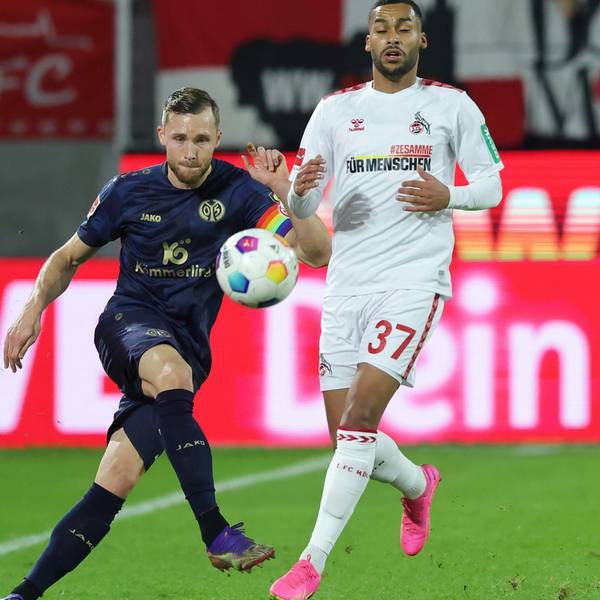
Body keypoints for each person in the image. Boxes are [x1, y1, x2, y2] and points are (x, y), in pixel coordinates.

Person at [1, 87, 331, 600]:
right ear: (162, 137)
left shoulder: (241, 191)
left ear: (218, 138)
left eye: (202, 139)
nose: (191, 150)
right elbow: (67, 259)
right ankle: (215, 530)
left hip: (187, 350)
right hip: (127, 325)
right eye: (180, 138)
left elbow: (314, 252)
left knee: (118, 479)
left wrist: (286, 189)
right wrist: (31, 311)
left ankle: (24, 594)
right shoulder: (128, 192)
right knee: (172, 375)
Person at [269, 1, 504, 598]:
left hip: (413, 282)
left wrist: (447, 194)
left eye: (403, 28)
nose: (392, 37)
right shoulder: (334, 112)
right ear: (366, 43)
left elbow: (494, 184)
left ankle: (311, 563)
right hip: (346, 287)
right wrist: (287, 193)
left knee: (358, 421)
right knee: (349, 439)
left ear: (422, 39)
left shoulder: (450, 105)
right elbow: (304, 210)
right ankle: (419, 486)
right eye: (381, 29)